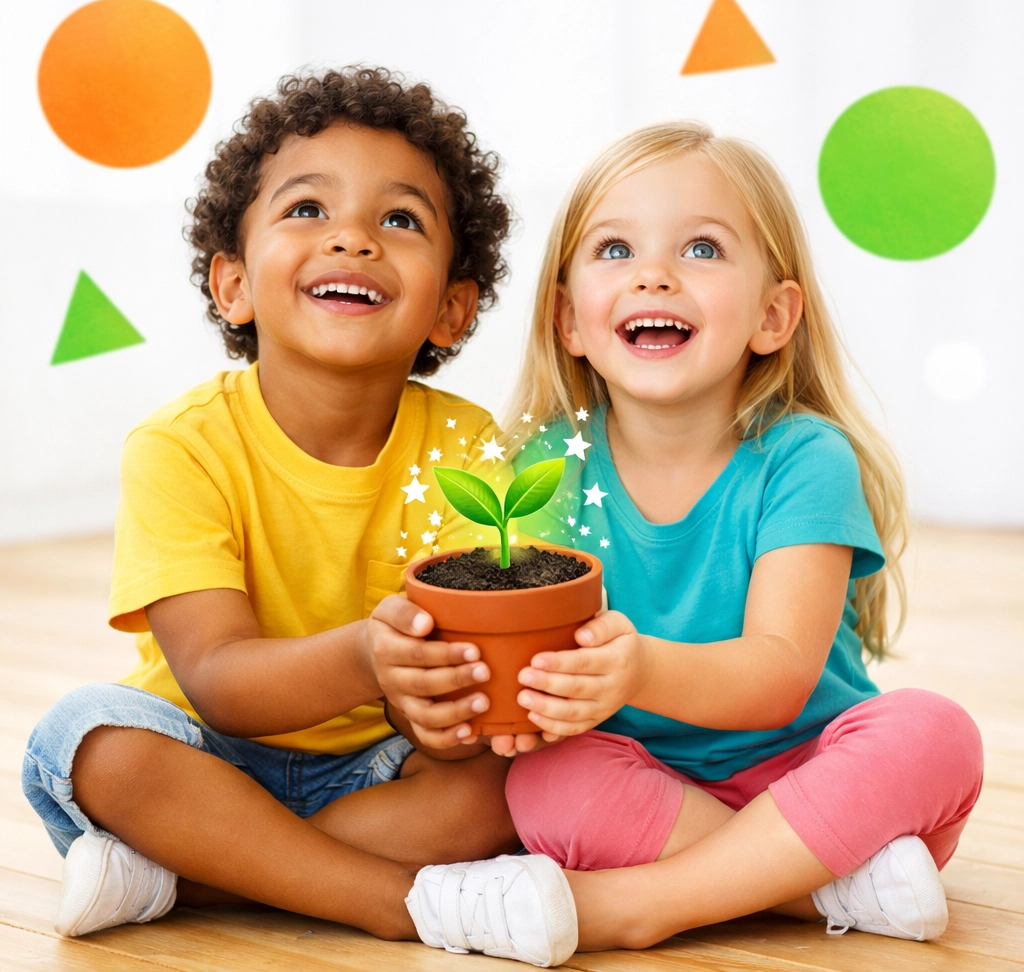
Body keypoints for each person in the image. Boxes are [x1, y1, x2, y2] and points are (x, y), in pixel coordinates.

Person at [386, 121, 984, 966]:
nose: (654, 274)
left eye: (702, 248)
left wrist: (638, 669)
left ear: (773, 315)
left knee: (934, 732)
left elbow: (779, 675)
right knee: (543, 782)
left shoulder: (803, 458)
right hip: (647, 789)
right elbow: (529, 657)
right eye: (615, 249)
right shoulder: (545, 470)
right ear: (568, 320)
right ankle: (819, 887)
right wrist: (512, 705)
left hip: (811, 772)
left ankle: (635, 910)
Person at [22, 67, 524, 941]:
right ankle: (393, 905)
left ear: (451, 308)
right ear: (234, 286)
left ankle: (199, 873)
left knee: (501, 789)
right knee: (88, 737)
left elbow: (457, 717)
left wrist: (435, 705)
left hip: (374, 771)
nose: (354, 240)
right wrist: (371, 655)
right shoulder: (179, 445)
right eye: (306, 211)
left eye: (399, 220)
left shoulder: (469, 451)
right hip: (200, 755)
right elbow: (216, 680)